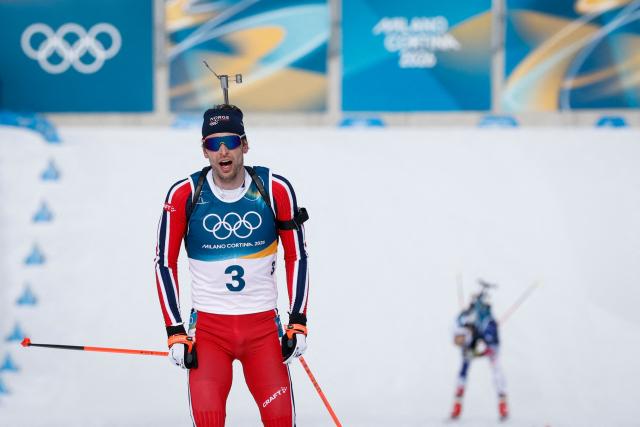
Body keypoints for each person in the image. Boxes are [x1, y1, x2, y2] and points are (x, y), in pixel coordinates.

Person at [154, 104, 310, 427]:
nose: (222, 151)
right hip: (210, 333)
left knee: (280, 420)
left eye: (230, 141)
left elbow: (297, 255)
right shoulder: (185, 194)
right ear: (204, 150)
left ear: (245, 144)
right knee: (209, 420)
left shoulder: (274, 188)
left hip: (264, 332)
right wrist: (175, 331)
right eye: (213, 143)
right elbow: (164, 263)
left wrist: (298, 321)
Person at [450, 284, 508, 421]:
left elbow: (491, 345)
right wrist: (466, 346)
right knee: (462, 374)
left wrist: (480, 352)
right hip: (472, 345)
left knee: (497, 372)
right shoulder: (463, 319)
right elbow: (458, 336)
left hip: (488, 346)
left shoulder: (488, 323)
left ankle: (503, 407)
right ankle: (456, 408)